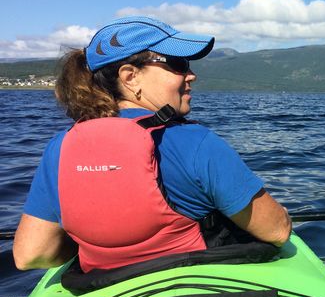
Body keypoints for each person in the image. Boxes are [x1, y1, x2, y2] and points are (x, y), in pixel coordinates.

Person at [13, 16, 291, 272]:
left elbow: (31, 254)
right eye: (178, 64)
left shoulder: (60, 147)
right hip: (193, 292)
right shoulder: (195, 142)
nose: (191, 75)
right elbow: (277, 231)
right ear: (130, 76)